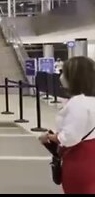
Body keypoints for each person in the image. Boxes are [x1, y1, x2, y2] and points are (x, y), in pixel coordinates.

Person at [39, 56, 95, 194]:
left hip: (79, 159)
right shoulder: (91, 100)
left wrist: (49, 137)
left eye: (64, 72)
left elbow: (70, 137)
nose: (61, 76)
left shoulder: (78, 103)